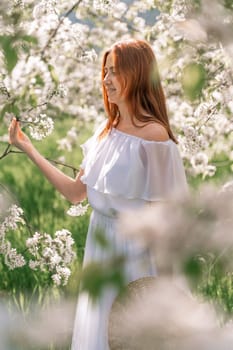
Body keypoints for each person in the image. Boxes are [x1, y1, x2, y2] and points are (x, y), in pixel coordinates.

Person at [8, 39, 188, 349]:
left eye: (115, 72)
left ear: (138, 74)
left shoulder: (155, 138)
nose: (106, 81)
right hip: (100, 254)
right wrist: (28, 148)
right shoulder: (106, 131)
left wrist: (165, 293)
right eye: (105, 72)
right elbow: (76, 194)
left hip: (135, 261)